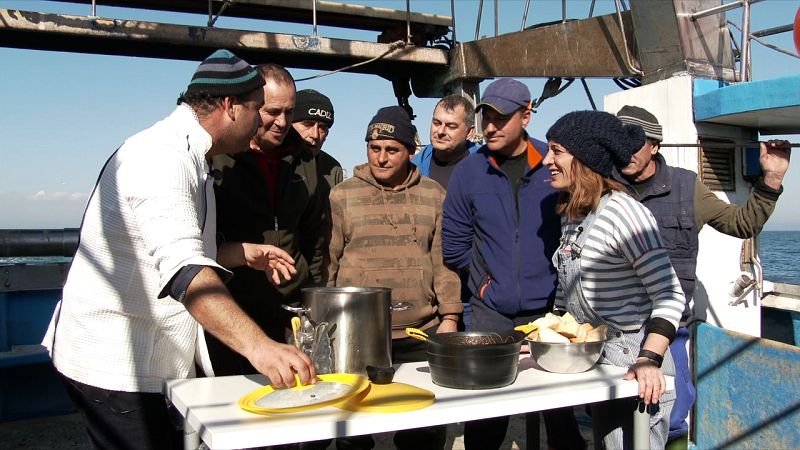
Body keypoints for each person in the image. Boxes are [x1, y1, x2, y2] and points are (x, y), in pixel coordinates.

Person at [42, 50, 315, 450]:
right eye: (258, 109)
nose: (263, 121)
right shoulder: (161, 158)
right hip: (118, 366)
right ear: (229, 105)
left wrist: (241, 253)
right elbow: (186, 270)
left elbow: (175, 248)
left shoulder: (197, 156)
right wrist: (262, 348)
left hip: (158, 358)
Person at [614, 105, 792, 440]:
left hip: (668, 330)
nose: (623, 151)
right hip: (614, 334)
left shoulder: (687, 187)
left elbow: (743, 223)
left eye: (633, 142)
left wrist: (772, 179)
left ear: (654, 146)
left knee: (671, 415)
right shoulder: (603, 186)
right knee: (614, 422)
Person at [442, 78, 584, 450]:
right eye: (486, 116)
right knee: (488, 412)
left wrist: (559, 288)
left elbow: (578, 228)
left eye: (500, 117)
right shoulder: (469, 172)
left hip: (550, 310)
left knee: (560, 410)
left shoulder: (554, 165)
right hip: (491, 312)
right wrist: (486, 283)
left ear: (526, 115)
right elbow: (454, 246)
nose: (490, 126)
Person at [543, 110, 687, 449]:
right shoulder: (574, 215)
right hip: (601, 360)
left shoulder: (624, 213)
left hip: (635, 364)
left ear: (584, 158)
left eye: (556, 150)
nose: (547, 160)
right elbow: (568, 297)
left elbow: (670, 293)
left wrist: (649, 359)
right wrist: (547, 338)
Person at [325, 106, 462, 450]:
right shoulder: (343, 195)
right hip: (356, 331)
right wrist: (322, 319)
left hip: (419, 331)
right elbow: (329, 261)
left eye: (391, 150)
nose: (381, 158)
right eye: (374, 148)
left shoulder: (433, 194)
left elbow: (443, 262)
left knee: (424, 425)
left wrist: (450, 317)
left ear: (409, 152)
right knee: (352, 428)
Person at [208, 64, 327, 376]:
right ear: (250, 106)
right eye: (272, 111)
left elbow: (314, 235)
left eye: (289, 112)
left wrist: (311, 291)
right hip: (234, 309)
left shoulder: (305, 159)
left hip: (292, 310)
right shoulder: (219, 157)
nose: (283, 122)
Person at [412, 94, 479, 330]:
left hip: (473, 293)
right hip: (430, 295)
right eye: (436, 123)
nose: (440, 131)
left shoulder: (486, 168)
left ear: (469, 132)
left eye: (451, 126)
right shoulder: (414, 169)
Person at [292, 88, 344, 201]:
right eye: (307, 124)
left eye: (322, 127)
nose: (315, 135)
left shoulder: (332, 169)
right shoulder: (271, 162)